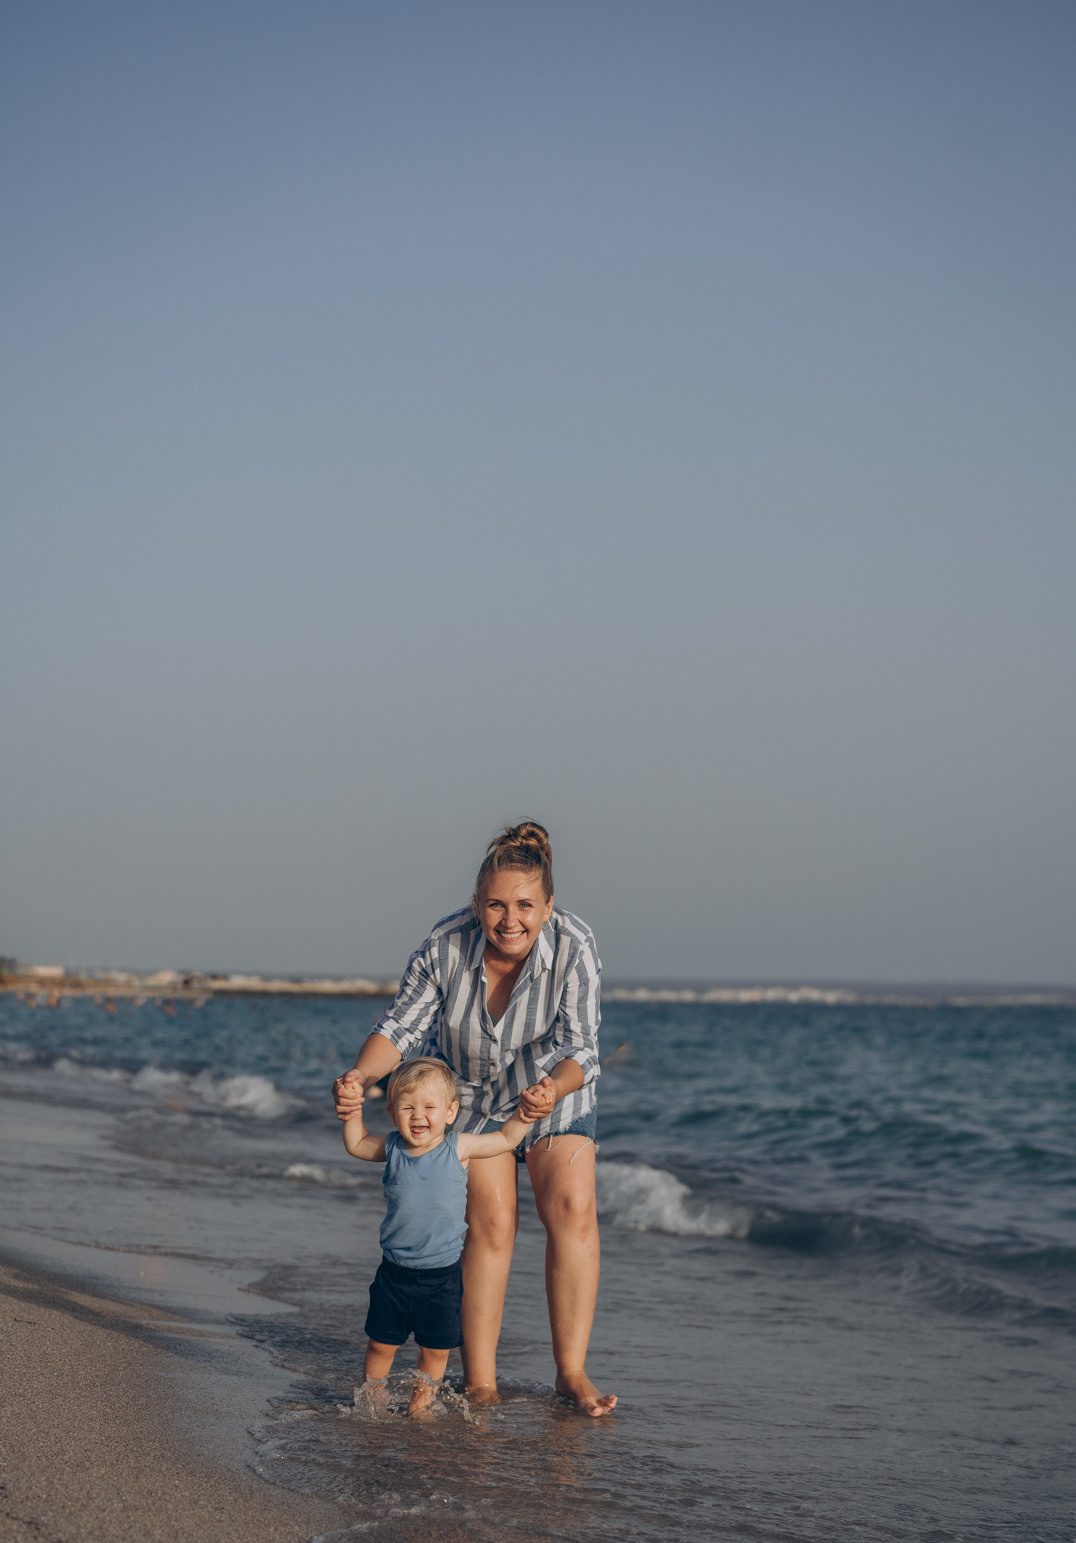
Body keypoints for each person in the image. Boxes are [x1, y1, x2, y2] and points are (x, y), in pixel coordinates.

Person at [333, 820, 616, 1416]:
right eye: (495, 905)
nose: (510, 919)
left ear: (548, 906)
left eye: (525, 906)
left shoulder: (575, 945)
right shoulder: (446, 945)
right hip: (466, 1096)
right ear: (477, 904)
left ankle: (571, 1372)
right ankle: (481, 1382)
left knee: (572, 1207)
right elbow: (399, 1028)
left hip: (552, 1087)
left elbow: (583, 1047)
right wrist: (361, 1075)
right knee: (491, 1221)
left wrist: (549, 1090)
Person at [342, 1055, 535, 1417]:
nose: (418, 1115)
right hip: (394, 1273)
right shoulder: (392, 1148)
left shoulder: (459, 1148)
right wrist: (351, 1111)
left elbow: (505, 1139)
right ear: (391, 1113)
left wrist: (524, 1115)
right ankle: (372, 1400)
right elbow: (356, 1144)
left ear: (450, 1112)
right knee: (381, 1345)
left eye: (429, 1107)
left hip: (442, 1277)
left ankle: (421, 1405)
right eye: (407, 1107)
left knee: (435, 1350)